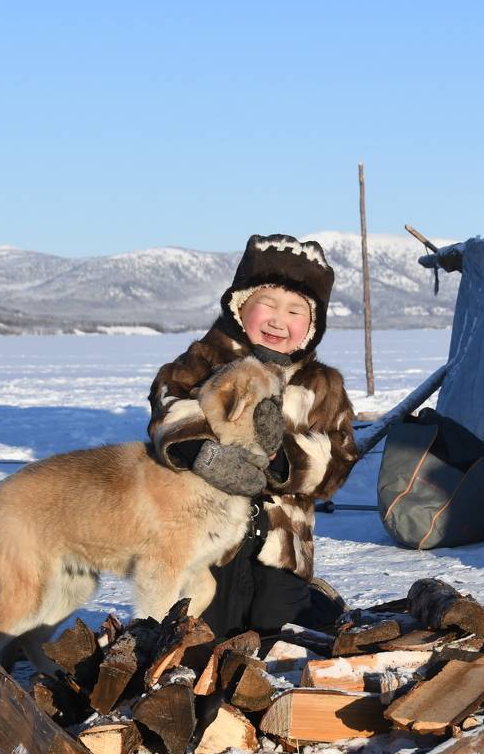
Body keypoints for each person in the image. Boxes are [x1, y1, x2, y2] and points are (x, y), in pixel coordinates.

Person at [148, 233, 358, 639]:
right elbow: (168, 404)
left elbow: (341, 456)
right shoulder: (204, 360)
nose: (279, 319)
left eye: (296, 310)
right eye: (268, 304)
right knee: (202, 632)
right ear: (240, 305)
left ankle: (315, 603)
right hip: (208, 537)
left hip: (283, 546)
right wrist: (200, 452)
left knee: (276, 634)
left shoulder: (321, 385)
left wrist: (283, 459)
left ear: (312, 325)